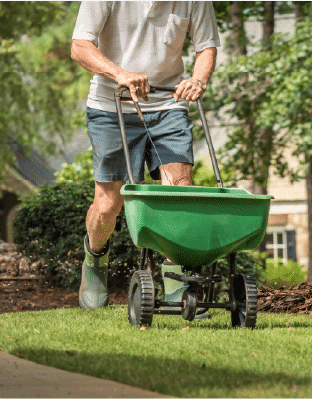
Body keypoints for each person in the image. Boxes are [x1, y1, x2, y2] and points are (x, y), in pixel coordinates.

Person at [71, 2, 220, 310]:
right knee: (109, 203)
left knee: (180, 190)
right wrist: (119, 73)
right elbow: (80, 47)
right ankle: (95, 259)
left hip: (168, 105)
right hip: (112, 106)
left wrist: (198, 80)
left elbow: (206, 46)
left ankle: (177, 277)